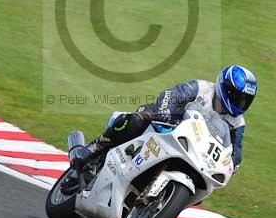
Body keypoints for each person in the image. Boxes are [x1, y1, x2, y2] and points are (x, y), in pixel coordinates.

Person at [71, 65, 257, 173]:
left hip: (193, 149)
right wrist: (165, 111)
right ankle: (94, 148)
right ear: (224, 87)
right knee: (136, 121)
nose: (239, 103)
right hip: (167, 123)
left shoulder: (237, 122)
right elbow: (173, 94)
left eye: (244, 100)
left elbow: (236, 149)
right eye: (236, 96)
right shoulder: (202, 88)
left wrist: (232, 164)